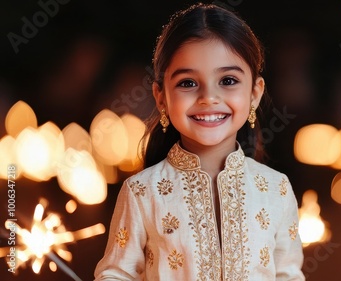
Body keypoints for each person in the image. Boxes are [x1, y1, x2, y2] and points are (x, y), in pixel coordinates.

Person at [94, 3, 305, 280]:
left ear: (255, 93)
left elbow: (289, 275)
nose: (209, 97)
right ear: (161, 97)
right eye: (188, 83)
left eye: (228, 80)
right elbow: (116, 273)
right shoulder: (141, 192)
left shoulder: (276, 189)